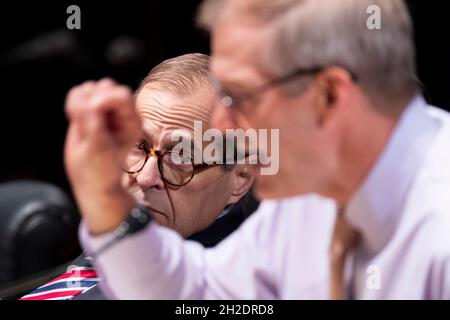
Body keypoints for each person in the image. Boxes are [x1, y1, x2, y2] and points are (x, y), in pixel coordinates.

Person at [65, 0, 450, 299]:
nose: (221, 128)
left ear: (329, 95)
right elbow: (199, 295)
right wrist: (105, 200)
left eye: (238, 97)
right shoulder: (311, 192)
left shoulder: (440, 233)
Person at [20, 53, 259, 300]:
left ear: (240, 177)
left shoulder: (226, 286)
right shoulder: (117, 241)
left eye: (181, 156)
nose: (145, 178)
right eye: (137, 144)